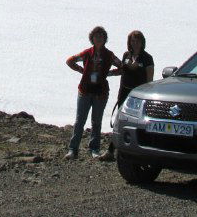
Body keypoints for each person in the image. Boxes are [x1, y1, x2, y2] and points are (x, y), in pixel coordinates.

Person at [65, 26, 122, 159]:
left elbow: (122, 67)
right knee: (80, 121)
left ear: (105, 39)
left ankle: (94, 149)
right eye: (96, 36)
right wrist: (82, 71)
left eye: (101, 36)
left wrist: (109, 73)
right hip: (85, 90)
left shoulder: (109, 55)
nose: (99, 39)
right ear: (92, 38)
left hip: (100, 92)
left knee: (96, 122)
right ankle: (73, 149)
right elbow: (69, 61)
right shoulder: (87, 53)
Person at [101, 30, 154, 160]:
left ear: (142, 42)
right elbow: (122, 71)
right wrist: (106, 73)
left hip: (138, 95)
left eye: (137, 41)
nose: (135, 43)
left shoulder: (147, 58)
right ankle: (111, 150)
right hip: (124, 91)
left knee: (136, 121)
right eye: (133, 41)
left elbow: (149, 80)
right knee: (119, 119)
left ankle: (137, 150)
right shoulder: (126, 55)